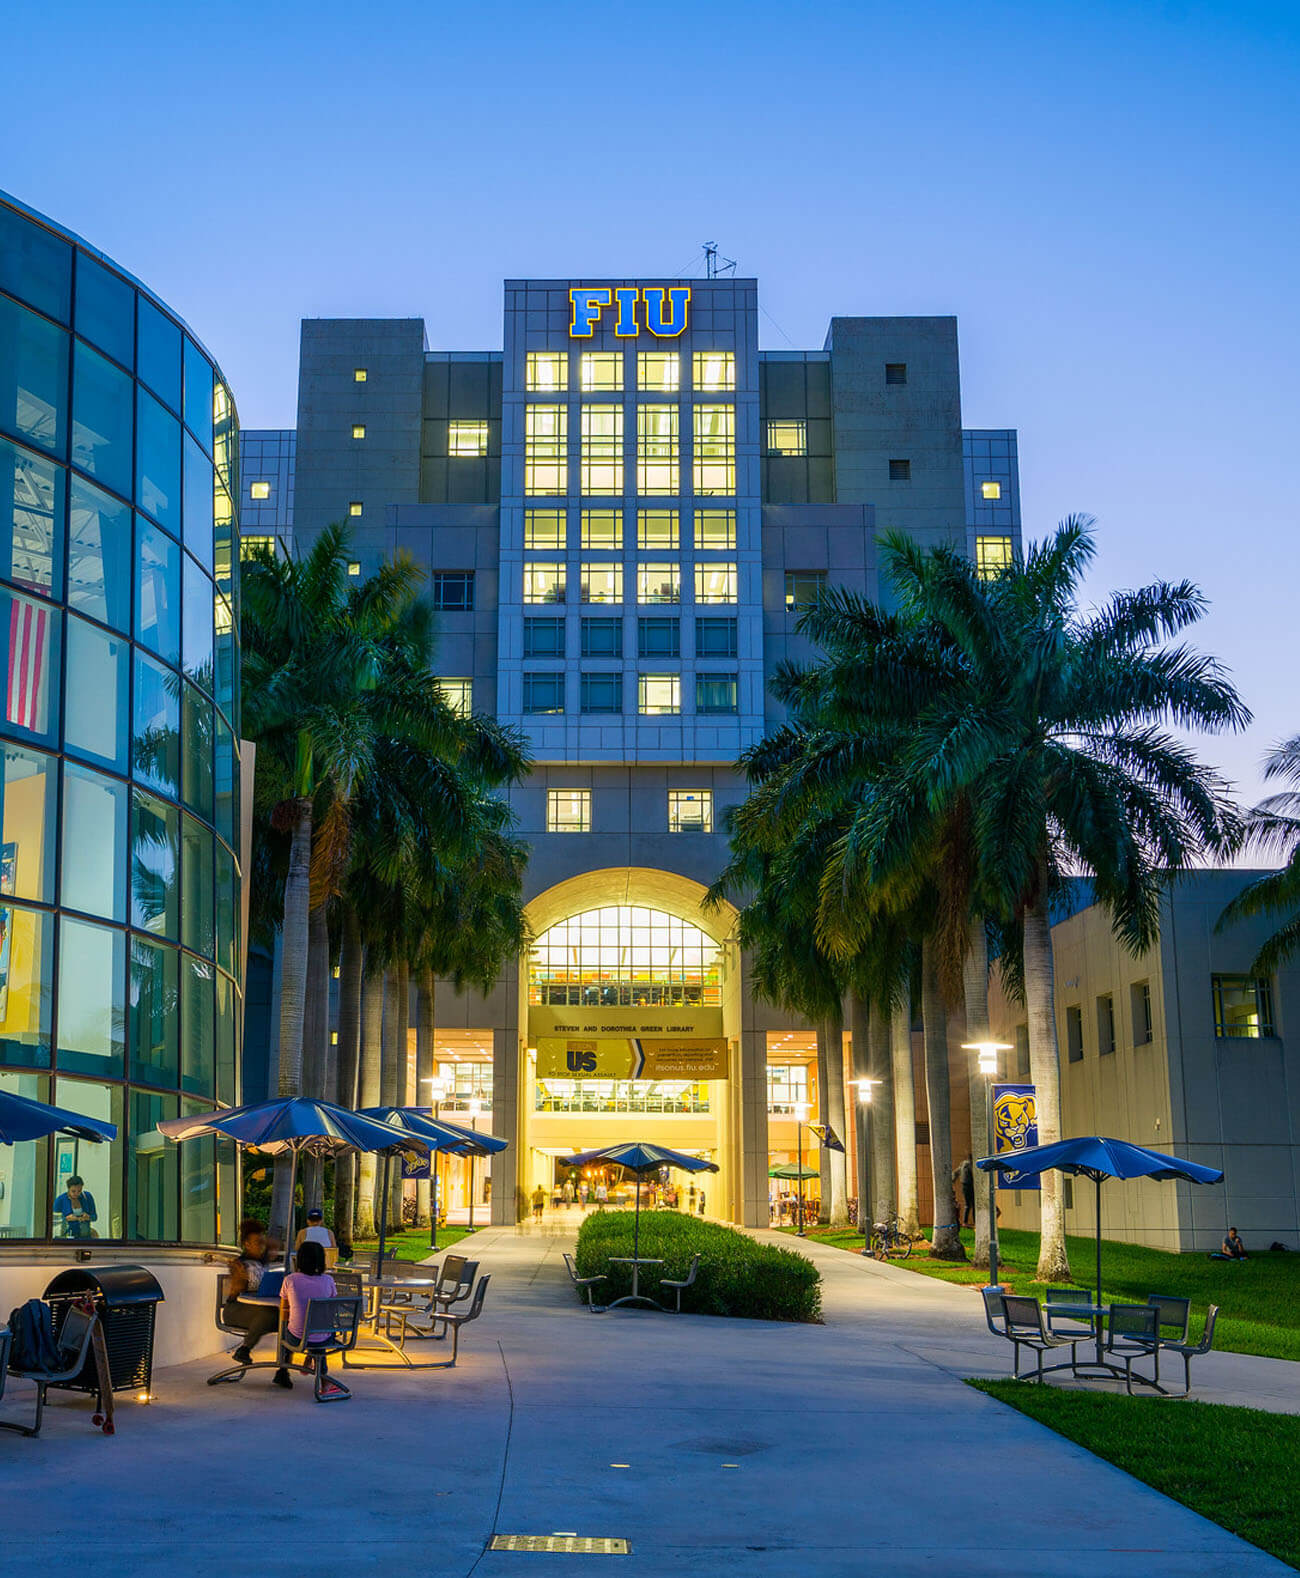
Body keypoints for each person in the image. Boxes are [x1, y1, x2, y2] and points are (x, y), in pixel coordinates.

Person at [224, 1219, 283, 1371]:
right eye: (257, 1242)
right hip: (236, 1309)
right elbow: (234, 1292)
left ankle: (283, 1369)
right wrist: (239, 1278)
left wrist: (261, 1238)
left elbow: (275, 1244)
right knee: (268, 1315)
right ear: (247, 1244)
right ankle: (244, 1349)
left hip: (259, 1308)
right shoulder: (240, 1263)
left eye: (261, 1242)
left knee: (287, 1318)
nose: (261, 1246)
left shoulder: (262, 1261)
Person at [279, 1239, 338, 1387]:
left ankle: (283, 1371)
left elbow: (284, 1311)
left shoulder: (290, 1280)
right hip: (324, 1338)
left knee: (285, 1331)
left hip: (297, 1339)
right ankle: (324, 1379)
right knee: (319, 1332)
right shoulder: (328, 1280)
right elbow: (332, 1308)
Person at [954, 1158, 976, 1228]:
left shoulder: (962, 1165)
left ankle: (965, 1222)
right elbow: (973, 1174)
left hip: (964, 1186)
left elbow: (955, 1173)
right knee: (973, 1204)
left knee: (968, 1205)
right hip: (970, 1185)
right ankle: (974, 1222)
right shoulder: (969, 1165)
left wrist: (952, 1181)